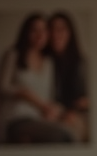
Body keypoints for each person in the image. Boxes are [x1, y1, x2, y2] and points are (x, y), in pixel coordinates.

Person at [0, 12, 73, 144]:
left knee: (69, 131)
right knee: (62, 135)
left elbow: (49, 96)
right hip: (16, 118)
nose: (40, 35)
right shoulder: (13, 54)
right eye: (34, 30)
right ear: (26, 32)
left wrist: (54, 110)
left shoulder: (49, 62)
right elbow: (3, 87)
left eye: (44, 30)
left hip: (40, 119)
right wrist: (24, 93)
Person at [47, 10, 89, 142]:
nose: (55, 35)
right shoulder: (42, 62)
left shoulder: (80, 63)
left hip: (74, 114)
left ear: (70, 33)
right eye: (52, 30)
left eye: (61, 30)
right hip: (47, 113)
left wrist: (73, 110)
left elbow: (86, 99)